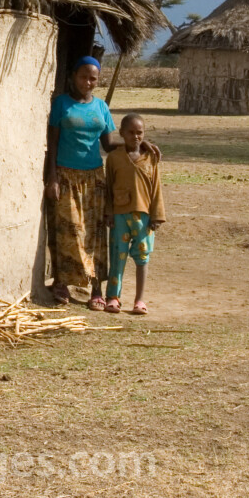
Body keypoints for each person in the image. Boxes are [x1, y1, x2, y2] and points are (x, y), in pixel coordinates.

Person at [43, 56, 158, 309]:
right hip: (66, 175)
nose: (87, 82)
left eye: (93, 78)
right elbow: (52, 143)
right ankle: (62, 282)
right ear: (73, 77)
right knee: (67, 230)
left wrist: (138, 144)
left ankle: (96, 288)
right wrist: (52, 177)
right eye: (83, 77)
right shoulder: (61, 104)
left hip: (94, 177)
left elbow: (108, 144)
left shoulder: (101, 107)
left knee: (95, 233)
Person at [102, 114, 164, 314]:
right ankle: (113, 297)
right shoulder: (114, 158)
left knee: (142, 257)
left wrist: (156, 215)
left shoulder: (150, 158)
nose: (135, 137)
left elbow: (156, 188)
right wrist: (109, 213)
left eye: (139, 133)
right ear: (121, 133)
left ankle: (139, 300)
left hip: (144, 217)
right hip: (119, 215)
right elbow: (108, 187)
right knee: (117, 256)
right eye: (130, 132)